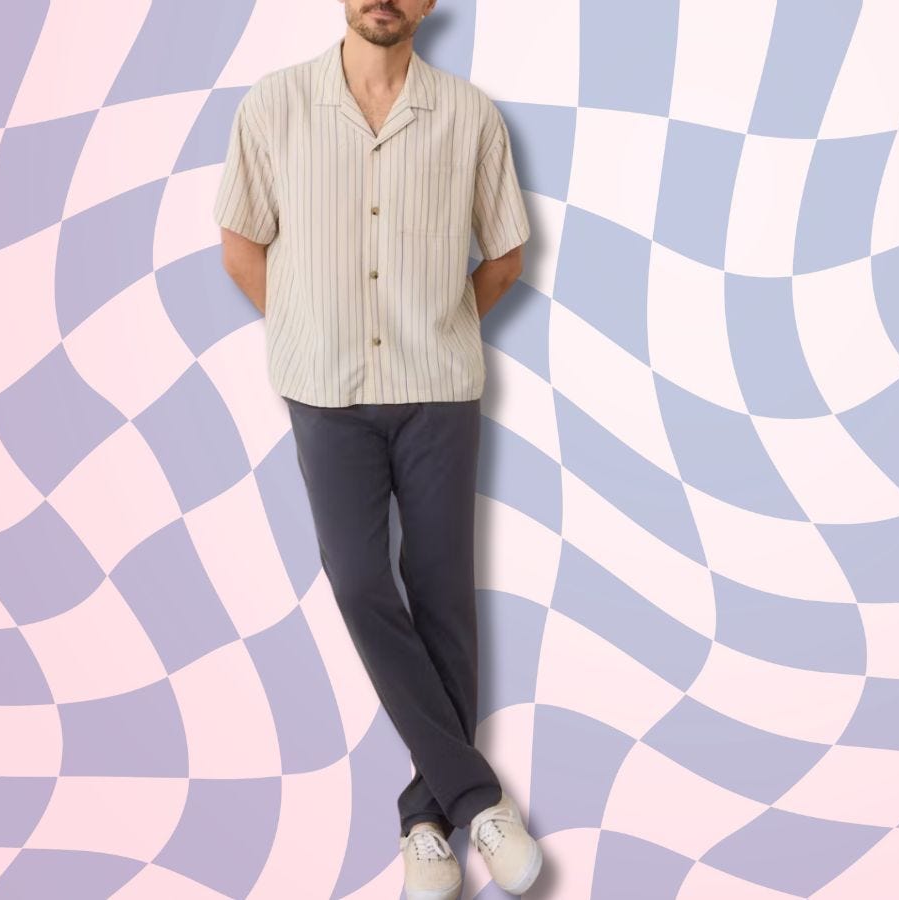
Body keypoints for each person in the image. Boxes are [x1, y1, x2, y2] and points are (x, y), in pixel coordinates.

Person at [211, 1, 539, 897]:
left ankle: (425, 820)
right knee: (360, 582)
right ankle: (478, 796)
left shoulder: (469, 115)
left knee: (440, 595)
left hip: (438, 392)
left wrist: (434, 332)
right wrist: (312, 331)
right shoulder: (273, 106)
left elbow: (505, 255)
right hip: (326, 396)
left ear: (431, 4)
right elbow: (242, 245)